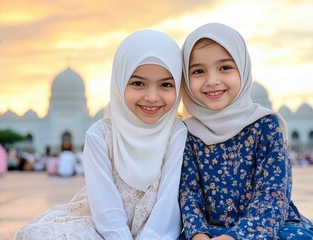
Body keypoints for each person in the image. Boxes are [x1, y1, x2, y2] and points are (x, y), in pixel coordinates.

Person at [14, 29, 186, 239]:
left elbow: (168, 204)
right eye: (138, 83)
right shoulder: (100, 134)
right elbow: (105, 206)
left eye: (166, 84)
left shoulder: (177, 133)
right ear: (119, 82)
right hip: (103, 228)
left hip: (159, 228)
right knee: (36, 235)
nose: (151, 97)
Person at [178, 23, 313, 240]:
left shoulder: (266, 126)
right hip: (210, 230)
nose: (212, 80)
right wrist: (198, 234)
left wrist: (236, 236)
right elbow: (189, 193)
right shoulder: (188, 133)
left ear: (243, 68)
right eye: (198, 71)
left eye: (225, 68)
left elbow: (273, 195)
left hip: (266, 227)